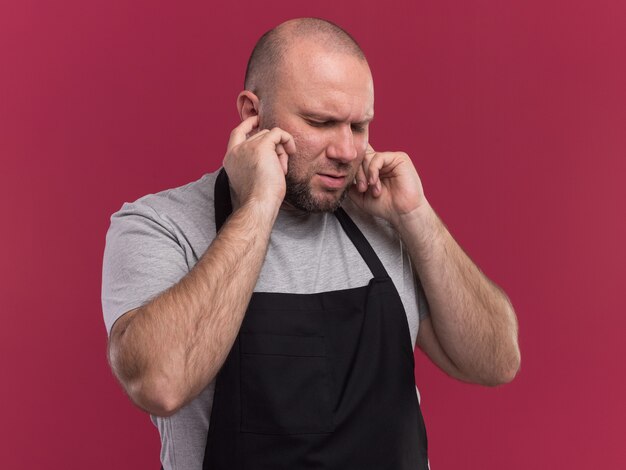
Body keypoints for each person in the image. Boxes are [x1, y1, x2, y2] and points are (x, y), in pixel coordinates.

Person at [102, 17, 520, 470]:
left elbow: (495, 361)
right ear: (251, 114)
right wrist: (260, 204)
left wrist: (417, 217)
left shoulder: (386, 222)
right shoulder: (161, 225)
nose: (346, 150)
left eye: (359, 126)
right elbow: (159, 384)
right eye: (321, 122)